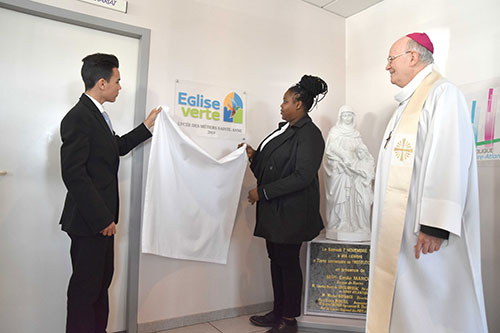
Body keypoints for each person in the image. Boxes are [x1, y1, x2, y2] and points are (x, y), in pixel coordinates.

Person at [366, 33, 488, 332]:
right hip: (402, 233)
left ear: (412, 57)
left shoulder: (442, 93)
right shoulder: (406, 104)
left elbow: (449, 157)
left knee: (434, 309)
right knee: (409, 306)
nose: (387, 67)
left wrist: (436, 225)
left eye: (391, 59)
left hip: (426, 235)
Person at [59, 53, 161, 332]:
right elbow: (74, 174)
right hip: (90, 222)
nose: (120, 87)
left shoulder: (98, 115)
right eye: (118, 81)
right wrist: (102, 218)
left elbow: (114, 147)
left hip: (103, 222)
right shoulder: (78, 117)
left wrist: (146, 127)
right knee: (84, 290)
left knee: (101, 283)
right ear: (102, 83)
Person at [240, 75, 327, 333]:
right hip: (276, 212)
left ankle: (289, 320)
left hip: (292, 213)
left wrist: (262, 193)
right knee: (276, 259)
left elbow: (301, 177)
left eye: (286, 101)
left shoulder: (310, 134)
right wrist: (253, 156)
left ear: (299, 104)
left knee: (288, 263)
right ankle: (277, 312)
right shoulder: (284, 130)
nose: (282, 105)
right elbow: (271, 168)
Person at [323, 106, 363, 235]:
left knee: (351, 197)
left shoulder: (356, 134)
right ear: (340, 117)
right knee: (339, 197)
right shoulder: (335, 132)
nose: (347, 118)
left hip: (353, 170)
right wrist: (341, 160)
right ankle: (339, 222)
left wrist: (355, 163)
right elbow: (329, 150)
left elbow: (361, 151)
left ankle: (351, 223)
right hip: (339, 170)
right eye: (344, 115)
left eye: (349, 115)